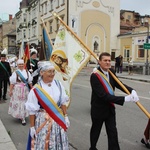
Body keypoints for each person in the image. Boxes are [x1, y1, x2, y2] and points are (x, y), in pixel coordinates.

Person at [89, 52, 139, 150]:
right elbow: (103, 96)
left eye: (109, 60)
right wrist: (124, 98)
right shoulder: (95, 76)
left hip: (110, 109)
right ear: (99, 62)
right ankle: (93, 147)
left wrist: (132, 90)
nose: (108, 62)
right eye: (105, 60)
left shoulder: (111, 71)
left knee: (112, 132)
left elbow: (119, 84)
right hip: (98, 109)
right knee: (96, 131)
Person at [25, 61, 70, 149]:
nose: (52, 74)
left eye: (53, 71)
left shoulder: (58, 84)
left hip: (57, 120)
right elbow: (32, 111)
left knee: (58, 142)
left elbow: (63, 102)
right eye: (49, 71)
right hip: (43, 120)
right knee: (44, 142)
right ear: (41, 73)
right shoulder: (36, 89)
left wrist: (66, 116)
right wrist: (32, 127)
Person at [8, 59, 33, 125]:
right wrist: (10, 91)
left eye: (22, 64)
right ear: (18, 65)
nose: (21, 65)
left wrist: (32, 89)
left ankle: (23, 116)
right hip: (17, 90)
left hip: (25, 90)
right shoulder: (15, 73)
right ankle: (21, 117)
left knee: (24, 102)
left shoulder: (27, 72)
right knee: (19, 103)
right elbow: (12, 83)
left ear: (24, 65)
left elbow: (30, 82)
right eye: (19, 64)